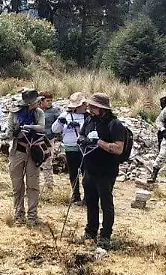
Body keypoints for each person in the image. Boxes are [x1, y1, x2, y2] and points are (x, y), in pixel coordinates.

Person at [80, 93, 129, 245]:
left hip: (106, 170)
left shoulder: (115, 124)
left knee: (106, 203)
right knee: (91, 201)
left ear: (102, 108)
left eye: (93, 107)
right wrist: (82, 140)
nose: (90, 109)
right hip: (89, 167)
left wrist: (99, 142)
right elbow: (82, 135)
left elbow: (119, 148)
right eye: (90, 106)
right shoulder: (89, 120)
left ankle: (106, 235)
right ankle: (90, 231)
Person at [6, 89, 47, 225]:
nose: (38, 102)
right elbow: (8, 133)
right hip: (18, 150)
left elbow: (41, 127)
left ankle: (32, 215)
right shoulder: (14, 113)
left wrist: (29, 127)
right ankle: (18, 213)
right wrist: (16, 131)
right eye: (36, 101)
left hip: (33, 150)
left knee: (33, 183)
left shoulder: (39, 113)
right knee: (17, 184)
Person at [52, 93, 88, 203]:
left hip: (84, 148)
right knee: (73, 172)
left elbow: (90, 131)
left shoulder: (88, 116)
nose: (86, 106)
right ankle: (75, 194)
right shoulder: (65, 115)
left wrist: (79, 127)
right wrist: (60, 121)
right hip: (70, 147)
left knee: (86, 173)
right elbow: (55, 129)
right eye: (83, 104)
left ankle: (87, 196)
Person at [40, 91, 58, 190]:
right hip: (36, 139)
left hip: (49, 139)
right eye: (47, 100)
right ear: (41, 101)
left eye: (51, 100)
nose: (50, 102)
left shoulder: (54, 111)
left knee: (48, 160)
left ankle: (49, 183)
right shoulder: (36, 110)